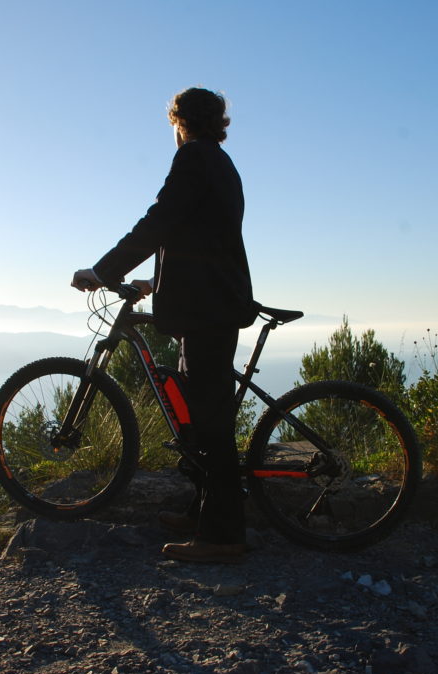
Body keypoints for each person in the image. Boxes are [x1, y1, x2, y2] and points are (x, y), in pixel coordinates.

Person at [72, 87, 255, 564]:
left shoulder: (193, 157)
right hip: (208, 300)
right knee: (199, 417)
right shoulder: (220, 161)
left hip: (207, 308)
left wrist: (104, 270)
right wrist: (155, 280)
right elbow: (197, 234)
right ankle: (202, 511)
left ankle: (222, 535)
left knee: (212, 424)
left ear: (179, 122)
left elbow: (160, 220)